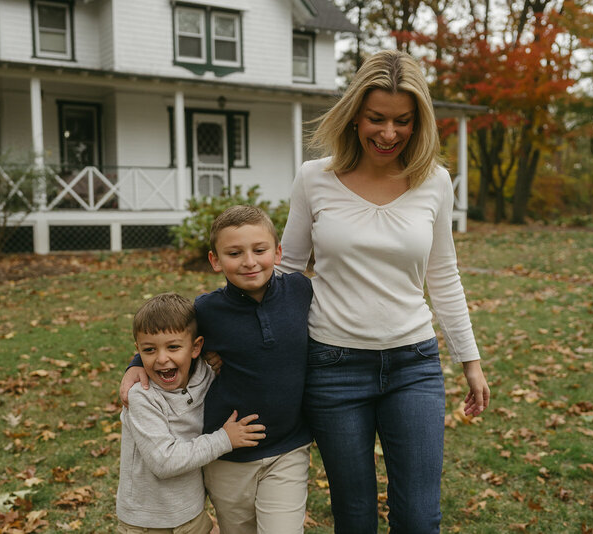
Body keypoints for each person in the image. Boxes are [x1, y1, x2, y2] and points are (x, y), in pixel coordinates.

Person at [275, 49, 490, 533]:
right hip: (332, 368)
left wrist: (469, 361)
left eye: (403, 121)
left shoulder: (435, 181)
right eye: (376, 118)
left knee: (418, 518)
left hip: (413, 366)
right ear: (354, 115)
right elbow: (284, 273)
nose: (389, 134)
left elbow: (444, 275)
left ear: (420, 123)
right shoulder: (315, 179)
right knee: (354, 518)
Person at [121, 206, 313, 533]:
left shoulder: (300, 291)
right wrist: (135, 365)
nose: (249, 261)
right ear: (215, 260)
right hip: (227, 457)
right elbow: (170, 336)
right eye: (235, 253)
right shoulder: (207, 310)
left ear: (278, 252)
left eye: (260, 250)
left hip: (288, 446)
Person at [116, 292, 266, 534]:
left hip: (192, 514)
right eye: (149, 350)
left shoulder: (205, 375)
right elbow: (164, 461)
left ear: (196, 347)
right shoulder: (141, 396)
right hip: (145, 522)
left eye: (173, 347)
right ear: (138, 351)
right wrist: (224, 439)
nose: (162, 359)